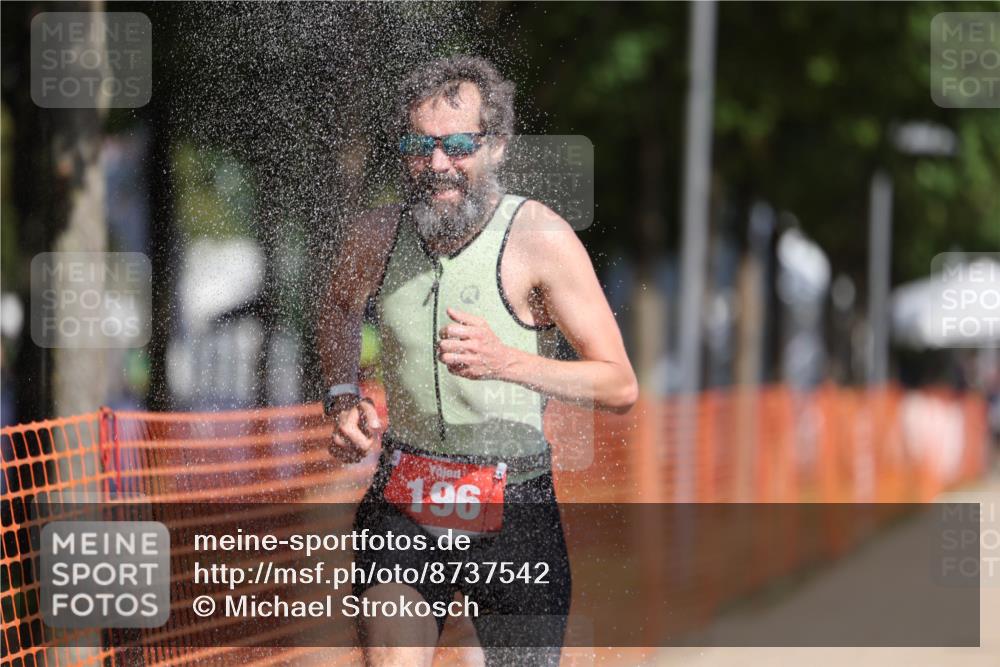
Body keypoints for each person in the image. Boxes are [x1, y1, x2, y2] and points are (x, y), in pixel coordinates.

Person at [320, 54, 637, 667]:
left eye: (458, 145)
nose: (438, 164)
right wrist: (341, 393)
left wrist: (506, 361)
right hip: (406, 500)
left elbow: (619, 385)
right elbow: (337, 306)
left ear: (497, 146)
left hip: (515, 504)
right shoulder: (378, 235)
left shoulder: (539, 238)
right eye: (420, 146)